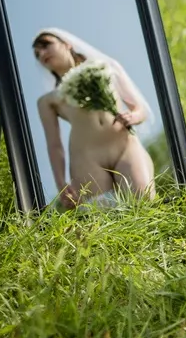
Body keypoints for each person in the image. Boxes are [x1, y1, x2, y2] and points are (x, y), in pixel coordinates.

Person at [31, 28, 157, 209]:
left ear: (67, 44)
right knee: (102, 218)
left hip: (125, 146)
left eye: (46, 45)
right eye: (37, 54)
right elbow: (54, 145)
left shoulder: (106, 68)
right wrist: (60, 183)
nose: (42, 53)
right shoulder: (47, 100)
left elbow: (139, 107)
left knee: (145, 203)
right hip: (86, 159)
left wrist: (134, 116)